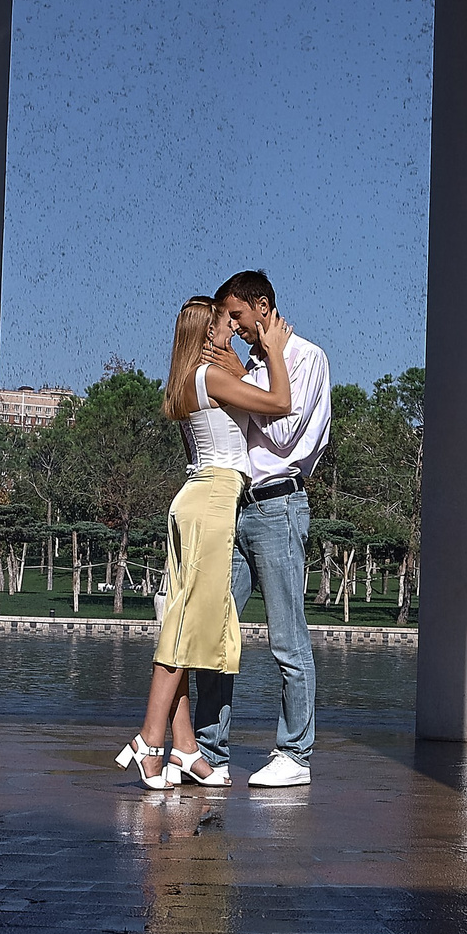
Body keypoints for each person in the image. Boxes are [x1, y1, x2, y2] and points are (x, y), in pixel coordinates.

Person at [114, 295, 295, 789]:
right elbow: (280, 403)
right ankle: (151, 742)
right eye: (224, 322)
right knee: (187, 628)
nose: (231, 330)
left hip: (195, 498)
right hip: (213, 501)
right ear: (205, 328)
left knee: (183, 622)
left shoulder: (187, 379)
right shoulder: (212, 376)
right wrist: (274, 350)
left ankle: (185, 747)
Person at [192, 270, 331, 787]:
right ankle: (210, 752)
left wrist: (250, 375)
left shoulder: (308, 358)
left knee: (287, 639)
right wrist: (243, 374)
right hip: (236, 507)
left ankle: (295, 754)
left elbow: (284, 430)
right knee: (215, 629)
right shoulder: (247, 365)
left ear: (264, 306)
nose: (232, 327)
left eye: (236, 316)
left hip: (278, 507)